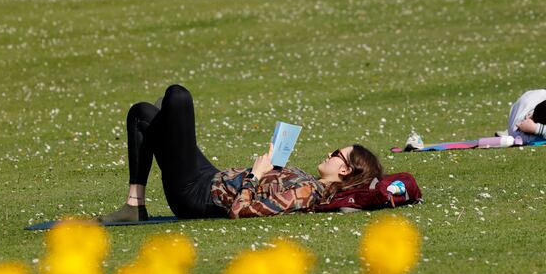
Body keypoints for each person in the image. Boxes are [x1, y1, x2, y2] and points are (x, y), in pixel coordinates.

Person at [97, 84, 384, 222]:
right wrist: (273, 165)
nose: (329, 153)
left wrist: (255, 176)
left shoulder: (306, 193)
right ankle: (134, 205)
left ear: (345, 170)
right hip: (210, 177)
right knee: (142, 114)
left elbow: (240, 211)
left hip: (197, 195)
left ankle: (170, 120)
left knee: (178, 96)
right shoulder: (308, 181)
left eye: (337, 154)